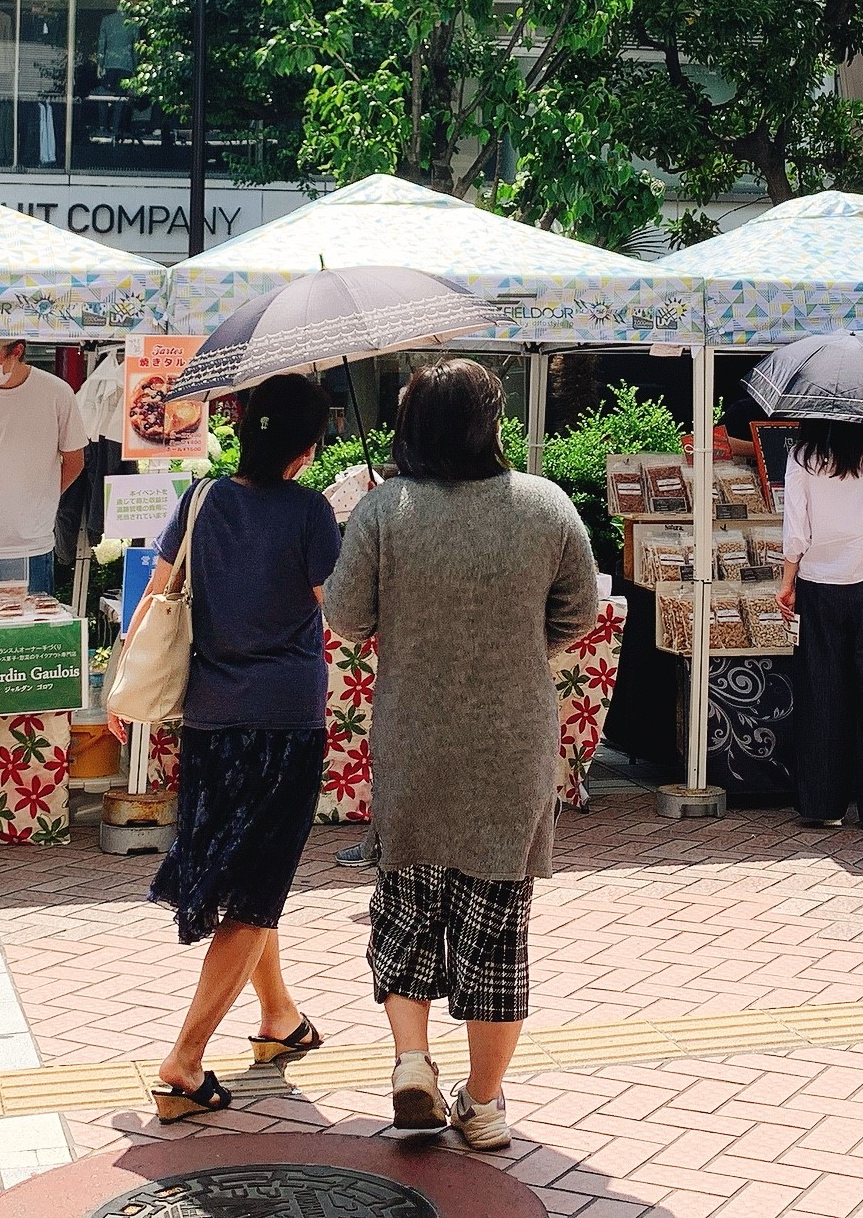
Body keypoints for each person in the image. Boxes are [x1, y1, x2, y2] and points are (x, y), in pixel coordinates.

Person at [323, 359, 599, 1154]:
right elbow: (578, 610)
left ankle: (413, 1060)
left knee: (406, 909)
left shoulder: (385, 508)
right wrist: (519, 646)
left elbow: (345, 616)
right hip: (513, 744)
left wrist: (378, 534)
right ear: (491, 424)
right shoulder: (544, 507)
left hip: (414, 737)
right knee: (499, 927)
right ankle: (483, 1105)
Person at [133, 374, 340, 1120]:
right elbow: (343, 612)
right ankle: (184, 1062)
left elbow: (157, 596)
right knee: (254, 894)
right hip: (284, 723)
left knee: (254, 878)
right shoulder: (311, 513)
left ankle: (279, 1019)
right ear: (307, 445)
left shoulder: (202, 499)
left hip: (208, 720)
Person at [773, 419, 863, 836]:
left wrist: (787, 581)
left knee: (821, 690)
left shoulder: (802, 455)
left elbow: (796, 526)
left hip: (818, 583)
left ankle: (822, 803)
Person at [0, 341, 83, 596]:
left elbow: (75, 460)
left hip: (29, 544)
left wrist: (44, 495)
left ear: (17, 351)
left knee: (25, 633)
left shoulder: (56, 392)